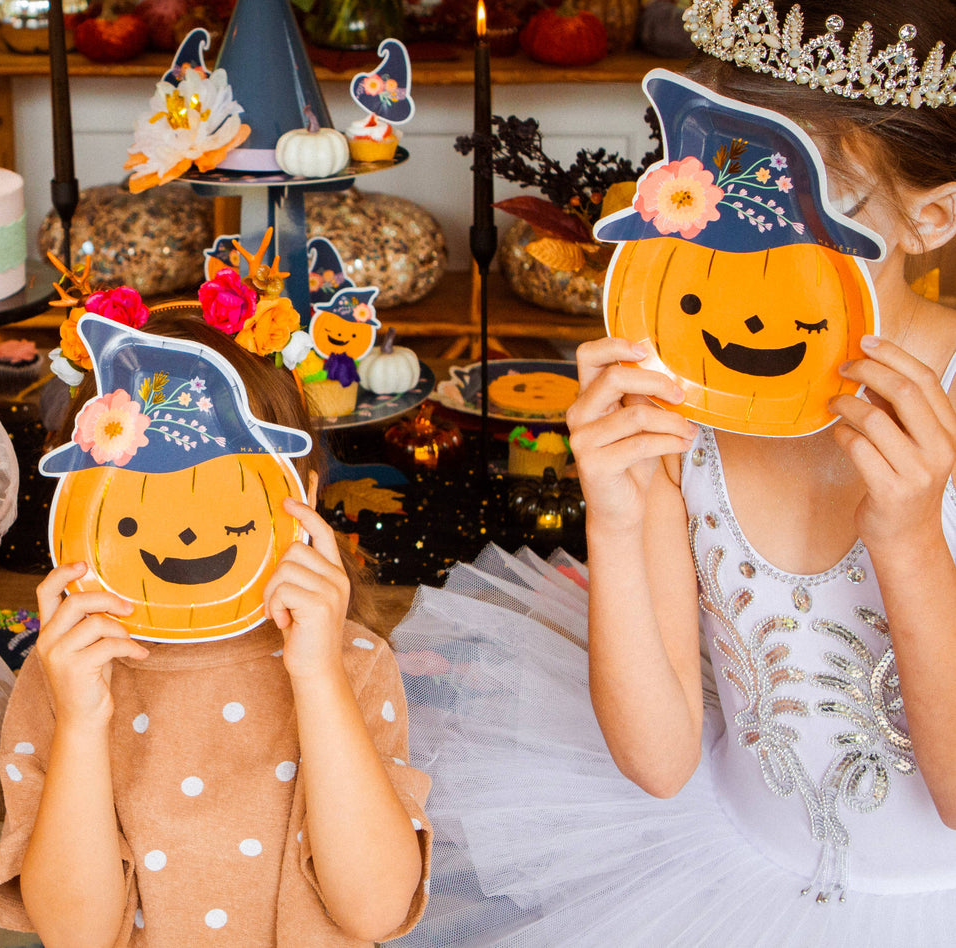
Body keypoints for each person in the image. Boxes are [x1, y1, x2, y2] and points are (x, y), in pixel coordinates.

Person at [391, 1, 956, 944]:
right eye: (732, 194)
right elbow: (657, 763)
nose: (767, 239)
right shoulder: (679, 397)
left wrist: (906, 537)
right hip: (713, 863)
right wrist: (617, 512)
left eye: (822, 198)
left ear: (928, 217)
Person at [0, 312, 432, 947]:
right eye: (135, 515)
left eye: (227, 502)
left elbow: (376, 909)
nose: (188, 532)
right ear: (80, 509)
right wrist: (81, 725)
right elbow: (74, 935)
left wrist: (318, 677)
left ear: (299, 492)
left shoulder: (349, 661)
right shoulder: (69, 671)